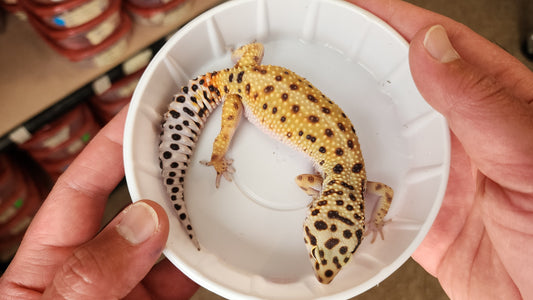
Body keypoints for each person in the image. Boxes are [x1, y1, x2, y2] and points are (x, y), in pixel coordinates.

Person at [1, 0, 532, 298]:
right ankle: (211, 155)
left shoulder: (353, 181)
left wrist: (360, 212)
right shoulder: (337, 184)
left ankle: (228, 96)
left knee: (237, 83)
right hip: (244, 91)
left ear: (323, 211)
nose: (325, 264)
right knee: (221, 139)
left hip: (258, 69)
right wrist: (220, 155)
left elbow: (368, 191)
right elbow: (360, 192)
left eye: (325, 250)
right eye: (330, 249)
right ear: (327, 211)